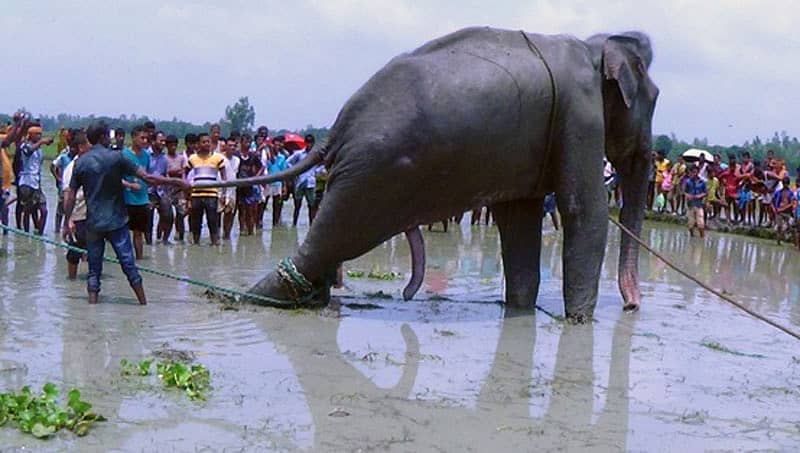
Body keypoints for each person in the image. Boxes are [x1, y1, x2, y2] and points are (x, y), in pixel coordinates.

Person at [62, 121, 188, 305]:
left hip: (94, 223)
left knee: (93, 271)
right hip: (117, 222)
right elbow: (148, 178)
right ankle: (143, 304)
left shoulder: (80, 163)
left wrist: (67, 221)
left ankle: (92, 310)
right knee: (129, 266)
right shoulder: (118, 158)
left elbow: (70, 196)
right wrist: (178, 183)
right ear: (104, 137)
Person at [186, 132, 227, 245]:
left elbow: (224, 177)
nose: (206, 144)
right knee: (196, 221)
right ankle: (196, 243)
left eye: (208, 141)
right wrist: (187, 194)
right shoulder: (192, 158)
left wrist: (223, 194)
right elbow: (185, 175)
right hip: (196, 195)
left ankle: (215, 243)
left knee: (212, 220)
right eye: (203, 142)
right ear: (198, 144)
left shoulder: (218, 158)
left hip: (212, 194)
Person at [61, 130, 91, 279]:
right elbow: (67, 195)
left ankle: (91, 280)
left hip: (92, 214)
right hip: (77, 214)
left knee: (93, 249)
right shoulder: (71, 168)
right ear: (81, 147)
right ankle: (71, 281)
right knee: (74, 252)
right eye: (89, 144)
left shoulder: (93, 164)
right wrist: (68, 220)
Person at [17, 122, 53, 235]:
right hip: (27, 183)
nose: (40, 136)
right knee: (27, 211)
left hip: (36, 182)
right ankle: (27, 235)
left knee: (44, 210)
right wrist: (41, 142)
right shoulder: (25, 146)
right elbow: (28, 152)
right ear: (30, 135)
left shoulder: (39, 150)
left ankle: (40, 234)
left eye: (40, 134)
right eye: (37, 134)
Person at [236, 133, 263, 235]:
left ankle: (251, 232)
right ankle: (241, 230)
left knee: (250, 210)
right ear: (241, 143)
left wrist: (256, 177)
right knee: (240, 210)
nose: (247, 144)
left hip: (249, 187)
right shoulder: (236, 155)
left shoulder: (253, 156)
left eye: (249, 142)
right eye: (245, 142)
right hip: (238, 186)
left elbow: (261, 166)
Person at [287, 135, 317, 227]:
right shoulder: (299, 154)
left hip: (310, 182)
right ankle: (294, 224)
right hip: (300, 182)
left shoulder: (315, 155)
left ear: (313, 143)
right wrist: (294, 171)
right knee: (297, 205)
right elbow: (288, 162)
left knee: (311, 205)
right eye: (307, 142)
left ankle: (311, 225)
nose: (309, 144)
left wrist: (316, 171)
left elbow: (321, 165)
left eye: (311, 143)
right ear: (305, 143)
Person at [51, 129, 76, 233]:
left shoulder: (79, 158)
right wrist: (58, 179)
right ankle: (57, 230)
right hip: (64, 187)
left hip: (74, 187)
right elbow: (52, 166)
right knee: (60, 209)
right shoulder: (64, 156)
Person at [163, 134, 187, 242]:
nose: (173, 147)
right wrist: (174, 173)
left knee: (181, 214)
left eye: (174, 145)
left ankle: (180, 237)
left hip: (180, 190)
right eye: (170, 145)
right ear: (167, 146)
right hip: (167, 190)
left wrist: (177, 176)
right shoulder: (164, 158)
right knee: (167, 216)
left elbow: (183, 173)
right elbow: (166, 173)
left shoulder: (181, 158)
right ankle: (163, 237)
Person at [147, 131, 169, 244]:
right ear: (153, 141)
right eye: (161, 141)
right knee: (148, 221)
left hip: (161, 191)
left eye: (164, 141)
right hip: (148, 192)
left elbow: (165, 175)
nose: (163, 143)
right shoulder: (145, 155)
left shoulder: (164, 158)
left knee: (168, 215)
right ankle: (148, 244)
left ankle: (164, 240)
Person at [218, 137, 240, 240]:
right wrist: (222, 193)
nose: (232, 148)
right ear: (225, 146)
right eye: (230, 145)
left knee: (229, 214)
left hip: (232, 191)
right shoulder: (219, 158)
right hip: (219, 190)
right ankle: (216, 235)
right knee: (217, 213)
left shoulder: (237, 160)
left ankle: (226, 235)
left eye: (234, 146)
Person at [263, 136, 287, 227]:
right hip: (268, 183)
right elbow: (267, 166)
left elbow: (284, 172)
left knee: (277, 206)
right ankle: (259, 223)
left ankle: (275, 223)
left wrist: (284, 186)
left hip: (278, 183)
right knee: (263, 204)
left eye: (279, 145)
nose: (277, 147)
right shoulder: (267, 156)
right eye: (275, 145)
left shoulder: (282, 157)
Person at [683, 165, 707, 238]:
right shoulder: (688, 182)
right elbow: (685, 191)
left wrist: (700, 196)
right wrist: (687, 195)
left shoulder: (702, 182)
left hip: (699, 205)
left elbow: (705, 192)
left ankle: (702, 237)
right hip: (690, 205)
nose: (694, 174)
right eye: (693, 172)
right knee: (690, 225)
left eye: (696, 172)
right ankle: (692, 237)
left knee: (700, 224)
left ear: (698, 172)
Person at [773, 176, 796, 245]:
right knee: (779, 226)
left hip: (787, 212)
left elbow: (792, 203)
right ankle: (778, 242)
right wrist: (774, 209)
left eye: (786, 183)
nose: (785, 185)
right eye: (784, 183)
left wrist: (782, 209)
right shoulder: (778, 192)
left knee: (791, 228)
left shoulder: (791, 193)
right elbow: (772, 201)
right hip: (779, 212)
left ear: (788, 184)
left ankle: (795, 243)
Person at [717, 154, 739, 224]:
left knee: (735, 206)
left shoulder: (737, 170)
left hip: (735, 191)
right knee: (727, 206)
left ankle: (735, 219)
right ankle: (728, 219)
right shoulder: (726, 171)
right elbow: (720, 177)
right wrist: (723, 184)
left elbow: (740, 179)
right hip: (728, 191)